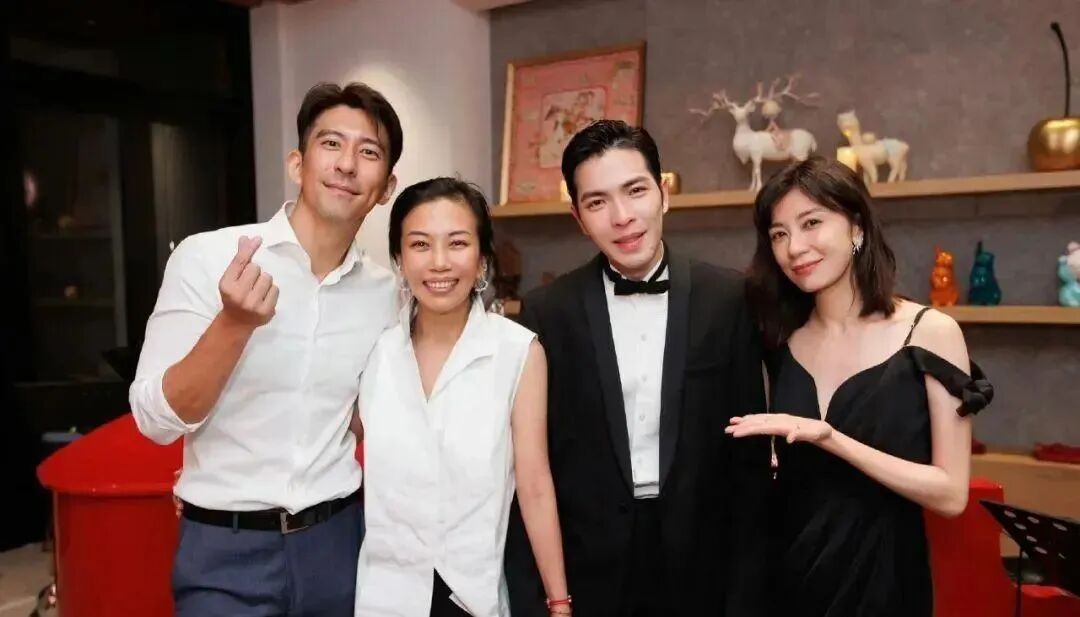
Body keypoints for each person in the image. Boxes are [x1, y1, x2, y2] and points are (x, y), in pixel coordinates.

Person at [130, 81, 403, 616]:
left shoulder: (386, 293)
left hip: (339, 542)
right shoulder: (208, 258)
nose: (347, 164)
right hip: (226, 549)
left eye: (368, 152)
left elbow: (365, 415)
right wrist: (233, 324)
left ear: (387, 187)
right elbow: (155, 421)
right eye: (331, 143)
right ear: (297, 164)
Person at [505, 119, 771, 617]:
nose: (622, 217)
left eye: (635, 191)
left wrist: (747, 593)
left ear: (663, 193)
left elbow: (749, 464)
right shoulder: (548, 312)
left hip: (702, 565)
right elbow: (539, 463)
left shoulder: (729, 298)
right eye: (597, 202)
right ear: (578, 218)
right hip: (593, 569)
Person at [727, 156, 994, 617]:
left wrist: (831, 439)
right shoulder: (781, 337)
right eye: (779, 234)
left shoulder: (929, 332)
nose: (794, 248)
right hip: (786, 572)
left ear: (856, 227)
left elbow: (951, 494)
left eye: (812, 223)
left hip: (882, 577)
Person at [353, 177, 570, 617]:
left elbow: (534, 485)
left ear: (482, 259)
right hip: (385, 596)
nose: (439, 263)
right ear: (398, 259)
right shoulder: (374, 350)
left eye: (457, 243)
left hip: (473, 596)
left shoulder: (517, 352)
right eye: (420, 244)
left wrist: (559, 602)